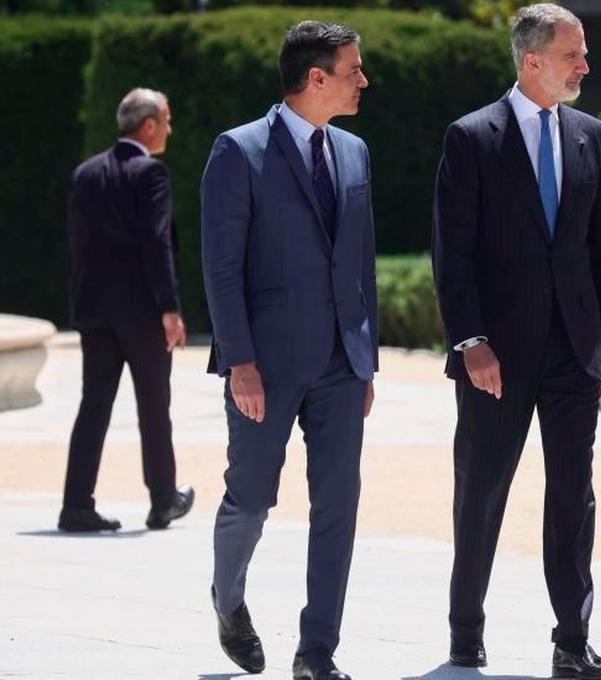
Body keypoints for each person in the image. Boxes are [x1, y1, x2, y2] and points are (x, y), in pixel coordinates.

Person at [432, 5, 601, 678]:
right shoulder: (471, 137)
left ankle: (573, 640)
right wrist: (470, 341)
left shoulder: (592, 137)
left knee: (575, 497)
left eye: (584, 54)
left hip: (575, 348)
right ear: (531, 60)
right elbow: (451, 254)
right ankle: (465, 633)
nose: (585, 65)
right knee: (481, 492)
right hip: (496, 356)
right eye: (573, 54)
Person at [201, 21, 375, 680]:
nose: (363, 80)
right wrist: (239, 360)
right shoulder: (237, 151)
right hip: (264, 366)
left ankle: (316, 653)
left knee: (338, 505)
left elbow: (362, 264)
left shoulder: (356, 152)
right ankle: (230, 599)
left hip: (341, 363)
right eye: (353, 70)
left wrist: (366, 360)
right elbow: (220, 269)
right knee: (250, 498)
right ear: (316, 78)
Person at [61, 87, 193, 534]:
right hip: (140, 312)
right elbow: (157, 243)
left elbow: (79, 244)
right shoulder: (150, 173)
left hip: (94, 310)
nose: (170, 129)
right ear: (149, 126)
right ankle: (162, 502)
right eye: (167, 120)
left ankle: (76, 506)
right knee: (154, 405)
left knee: (93, 405)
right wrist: (170, 308)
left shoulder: (85, 173)